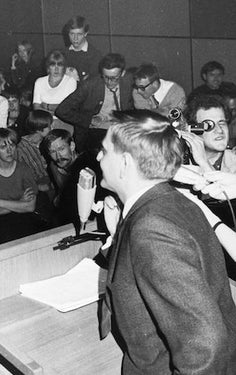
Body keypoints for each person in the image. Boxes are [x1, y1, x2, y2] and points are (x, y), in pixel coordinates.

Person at [97, 109, 236, 374]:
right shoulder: (168, 202)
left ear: (125, 163)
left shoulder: (152, 227)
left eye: (104, 150)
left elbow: (205, 348)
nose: (98, 157)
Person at [0, 128, 47, 247]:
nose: (9, 150)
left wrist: (0, 202)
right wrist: (20, 202)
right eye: (3, 147)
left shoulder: (24, 169)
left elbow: (30, 207)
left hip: (23, 218)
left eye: (12, 145)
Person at [55, 53, 133, 152]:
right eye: (105, 77)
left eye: (114, 78)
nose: (109, 82)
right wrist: (88, 120)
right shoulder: (89, 85)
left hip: (121, 130)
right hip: (96, 132)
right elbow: (62, 110)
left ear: (122, 73)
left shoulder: (129, 81)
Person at [181, 94, 235, 173]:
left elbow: (222, 186)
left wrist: (203, 162)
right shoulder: (176, 162)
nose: (219, 130)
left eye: (222, 123)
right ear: (192, 130)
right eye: (209, 125)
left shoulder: (233, 163)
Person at [33, 49, 77, 133]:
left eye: (59, 65)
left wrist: (47, 106)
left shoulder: (70, 81)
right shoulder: (39, 81)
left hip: (64, 123)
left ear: (64, 67)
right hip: (43, 123)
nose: (56, 69)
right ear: (48, 67)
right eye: (53, 65)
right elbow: (36, 108)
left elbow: (67, 109)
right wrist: (56, 109)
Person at [16, 110, 53, 195]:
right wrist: (38, 187)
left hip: (51, 179)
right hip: (36, 187)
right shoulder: (21, 149)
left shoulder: (47, 141)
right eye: (49, 126)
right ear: (39, 129)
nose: (52, 127)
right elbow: (19, 178)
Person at [63, 16, 103, 81]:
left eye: (79, 34)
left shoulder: (95, 55)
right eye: (72, 34)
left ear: (85, 34)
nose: (75, 38)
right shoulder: (62, 54)